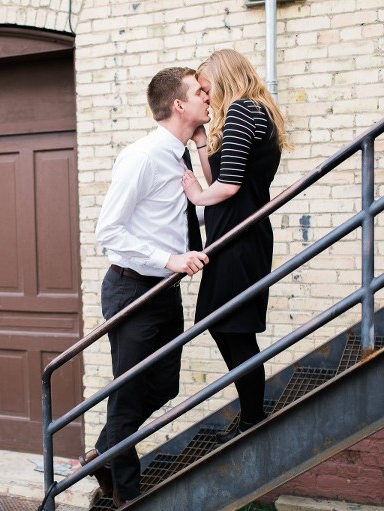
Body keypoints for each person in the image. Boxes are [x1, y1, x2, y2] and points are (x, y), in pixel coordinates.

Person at [81, 67, 211, 508]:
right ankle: (127, 496)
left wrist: (203, 145)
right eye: (199, 92)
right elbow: (109, 232)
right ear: (179, 104)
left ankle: (102, 454)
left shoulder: (180, 155)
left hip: (163, 291)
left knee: (164, 387)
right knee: (129, 391)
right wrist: (169, 259)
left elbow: (203, 209)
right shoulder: (142, 156)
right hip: (132, 289)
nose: (208, 97)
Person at [181, 49, 290, 443]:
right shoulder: (250, 112)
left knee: (235, 329)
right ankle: (251, 411)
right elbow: (221, 178)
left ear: (225, 78)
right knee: (224, 325)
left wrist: (196, 196)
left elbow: (226, 187)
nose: (206, 98)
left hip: (241, 239)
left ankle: (253, 416)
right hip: (233, 237)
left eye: (207, 89)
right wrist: (199, 143)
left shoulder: (245, 110)